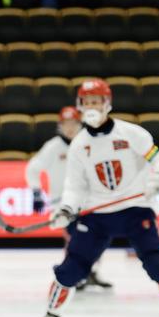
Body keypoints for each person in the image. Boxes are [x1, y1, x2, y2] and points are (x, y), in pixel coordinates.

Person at [26, 79, 159, 317]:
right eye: (87, 102)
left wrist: (157, 178)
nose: (92, 107)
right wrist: (66, 208)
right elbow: (75, 187)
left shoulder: (131, 133)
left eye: (97, 101)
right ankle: (51, 315)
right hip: (96, 216)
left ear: (107, 104)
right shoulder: (79, 145)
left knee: (158, 264)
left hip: (135, 210)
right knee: (71, 268)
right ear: (80, 106)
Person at [26, 106, 111, 290]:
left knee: (98, 237)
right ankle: (75, 272)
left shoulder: (89, 143)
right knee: (75, 238)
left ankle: (91, 272)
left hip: (90, 201)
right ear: (60, 126)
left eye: (73, 123)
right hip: (64, 204)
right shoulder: (53, 147)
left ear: (80, 123)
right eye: (66, 124)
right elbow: (33, 168)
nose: (70, 128)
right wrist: (36, 192)